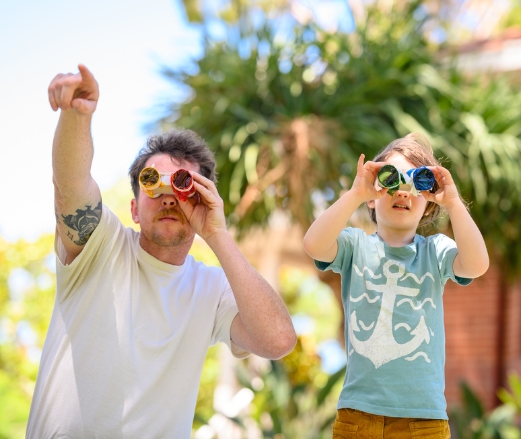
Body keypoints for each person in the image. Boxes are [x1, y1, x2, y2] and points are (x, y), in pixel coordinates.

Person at [26, 64, 297, 438]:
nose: (169, 196)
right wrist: (77, 115)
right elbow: (71, 183)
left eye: (184, 185)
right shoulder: (100, 246)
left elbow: (279, 341)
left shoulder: (211, 289)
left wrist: (216, 234)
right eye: (152, 183)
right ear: (135, 208)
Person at [303, 133, 489, 438]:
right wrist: (355, 194)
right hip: (358, 415)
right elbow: (313, 244)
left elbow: (477, 265)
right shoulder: (354, 246)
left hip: (423, 421)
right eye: (391, 179)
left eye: (418, 182)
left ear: (428, 203)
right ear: (374, 198)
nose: (403, 191)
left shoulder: (436, 251)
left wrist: (454, 204)